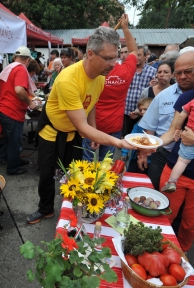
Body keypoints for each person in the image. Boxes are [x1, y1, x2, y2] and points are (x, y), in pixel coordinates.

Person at [26, 24, 136, 224]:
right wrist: (117, 142)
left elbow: (91, 106)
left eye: (116, 57)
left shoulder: (100, 77)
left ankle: (71, 210)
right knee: (47, 173)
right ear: (91, 54)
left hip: (74, 131)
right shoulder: (69, 79)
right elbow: (82, 126)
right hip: (52, 131)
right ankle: (45, 209)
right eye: (109, 58)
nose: (114, 64)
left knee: (75, 174)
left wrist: (91, 133)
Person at [82, 13, 137, 161]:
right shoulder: (125, 71)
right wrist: (125, 27)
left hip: (90, 126)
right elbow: (134, 51)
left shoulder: (92, 72)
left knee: (85, 165)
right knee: (105, 165)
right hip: (111, 127)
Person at [138, 51, 194, 190]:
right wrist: (145, 151)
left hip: (189, 160)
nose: (182, 76)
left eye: (188, 71)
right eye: (178, 73)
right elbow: (156, 128)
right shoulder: (164, 96)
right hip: (164, 154)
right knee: (156, 192)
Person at [158, 89, 194, 252]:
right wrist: (150, 144)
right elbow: (173, 131)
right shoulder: (188, 97)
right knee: (164, 214)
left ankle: (182, 253)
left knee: (190, 224)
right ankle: (157, 248)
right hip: (176, 168)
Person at [0, 46, 37, 175]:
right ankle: (13, 168)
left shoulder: (10, 67)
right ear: (28, 60)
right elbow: (19, 89)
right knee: (15, 142)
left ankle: (15, 161)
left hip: (3, 109)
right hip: (11, 111)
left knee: (12, 140)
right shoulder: (21, 68)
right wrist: (30, 103)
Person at [122, 45, 157, 137]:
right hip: (127, 110)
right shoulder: (127, 70)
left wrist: (153, 85)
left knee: (140, 136)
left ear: (146, 56)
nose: (136, 57)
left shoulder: (152, 71)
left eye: (139, 55)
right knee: (126, 135)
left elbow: (155, 89)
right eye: (134, 55)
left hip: (144, 112)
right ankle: (124, 151)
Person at [161, 98, 194, 192]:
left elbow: (181, 116)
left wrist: (178, 128)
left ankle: (172, 182)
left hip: (189, 135)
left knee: (182, 162)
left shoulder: (192, 102)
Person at [120, 98, 153, 173]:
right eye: (140, 110)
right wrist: (124, 153)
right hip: (136, 157)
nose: (142, 112)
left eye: (145, 109)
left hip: (152, 160)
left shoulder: (159, 125)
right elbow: (130, 138)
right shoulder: (138, 124)